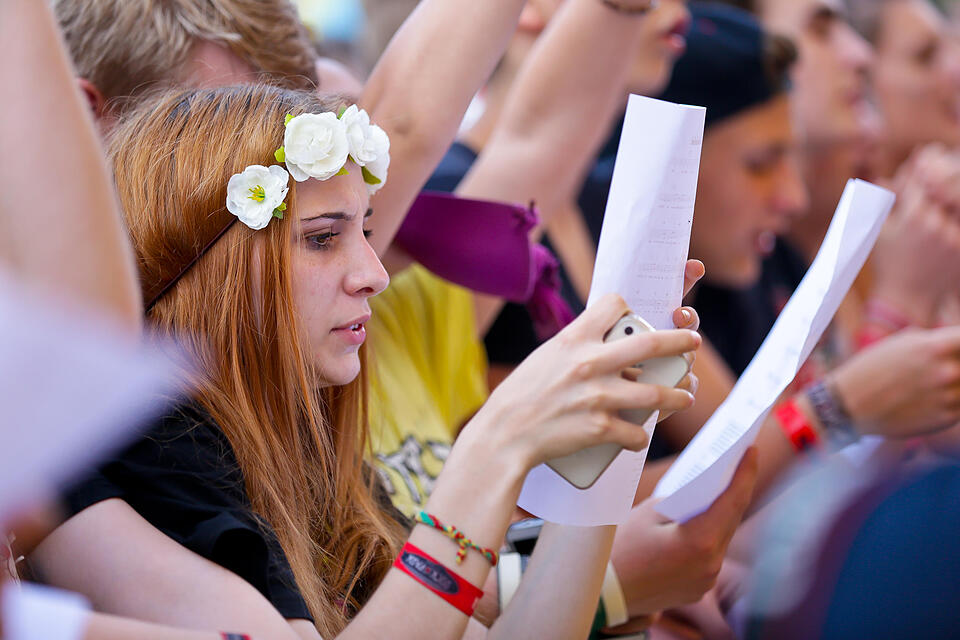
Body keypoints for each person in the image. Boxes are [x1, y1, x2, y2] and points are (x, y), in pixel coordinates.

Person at [29, 84, 706, 640]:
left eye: (367, 232)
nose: (375, 275)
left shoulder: (307, 443)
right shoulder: (144, 440)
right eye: (324, 239)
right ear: (217, 273)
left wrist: (607, 443)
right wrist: (496, 448)